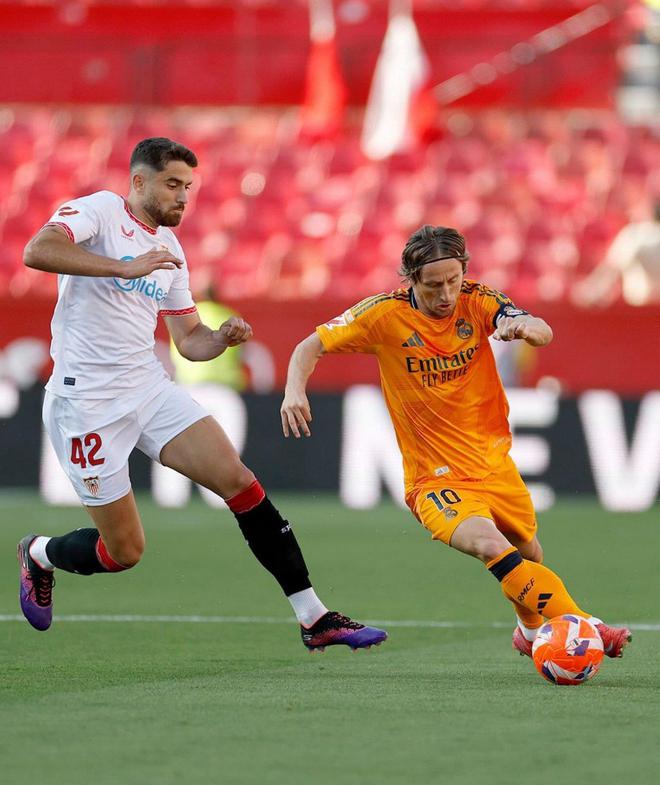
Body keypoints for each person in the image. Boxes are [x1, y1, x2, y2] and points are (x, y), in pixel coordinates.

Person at [18, 136, 387, 654]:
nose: (183, 196)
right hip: (86, 403)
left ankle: (314, 617)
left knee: (239, 481)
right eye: (173, 184)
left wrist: (222, 338)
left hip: (146, 387)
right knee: (123, 551)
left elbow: (189, 341)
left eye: (188, 187)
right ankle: (39, 553)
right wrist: (123, 267)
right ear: (139, 181)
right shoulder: (100, 211)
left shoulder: (170, 250)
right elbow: (37, 250)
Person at [281, 224, 631, 662]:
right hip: (435, 480)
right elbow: (309, 346)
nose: (446, 294)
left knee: (528, 556)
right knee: (491, 546)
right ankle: (589, 627)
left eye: (453, 280)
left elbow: (541, 330)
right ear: (411, 280)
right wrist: (294, 391)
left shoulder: (478, 300)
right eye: (433, 285)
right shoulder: (383, 315)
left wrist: (523, 326)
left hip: (494, 464)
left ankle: (528, 631)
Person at [572, 201, 660, 307]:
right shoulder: (638, 234)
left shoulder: (637, 234)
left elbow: (613, 265)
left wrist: (592, 291)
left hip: (642, 304)